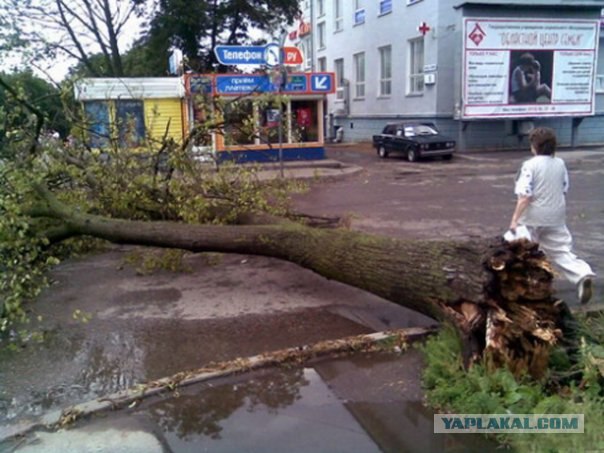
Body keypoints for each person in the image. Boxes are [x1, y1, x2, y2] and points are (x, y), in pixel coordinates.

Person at [509, 127, 595, 304]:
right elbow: (564, 188)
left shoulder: (529, 166)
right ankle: (582, 274)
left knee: (519, 250)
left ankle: (524, 288)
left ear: (534, 146)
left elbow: (525, 196)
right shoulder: (560, 164)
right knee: (561, 251)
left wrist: (515, 220)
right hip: (556, 215)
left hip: (532, 217)